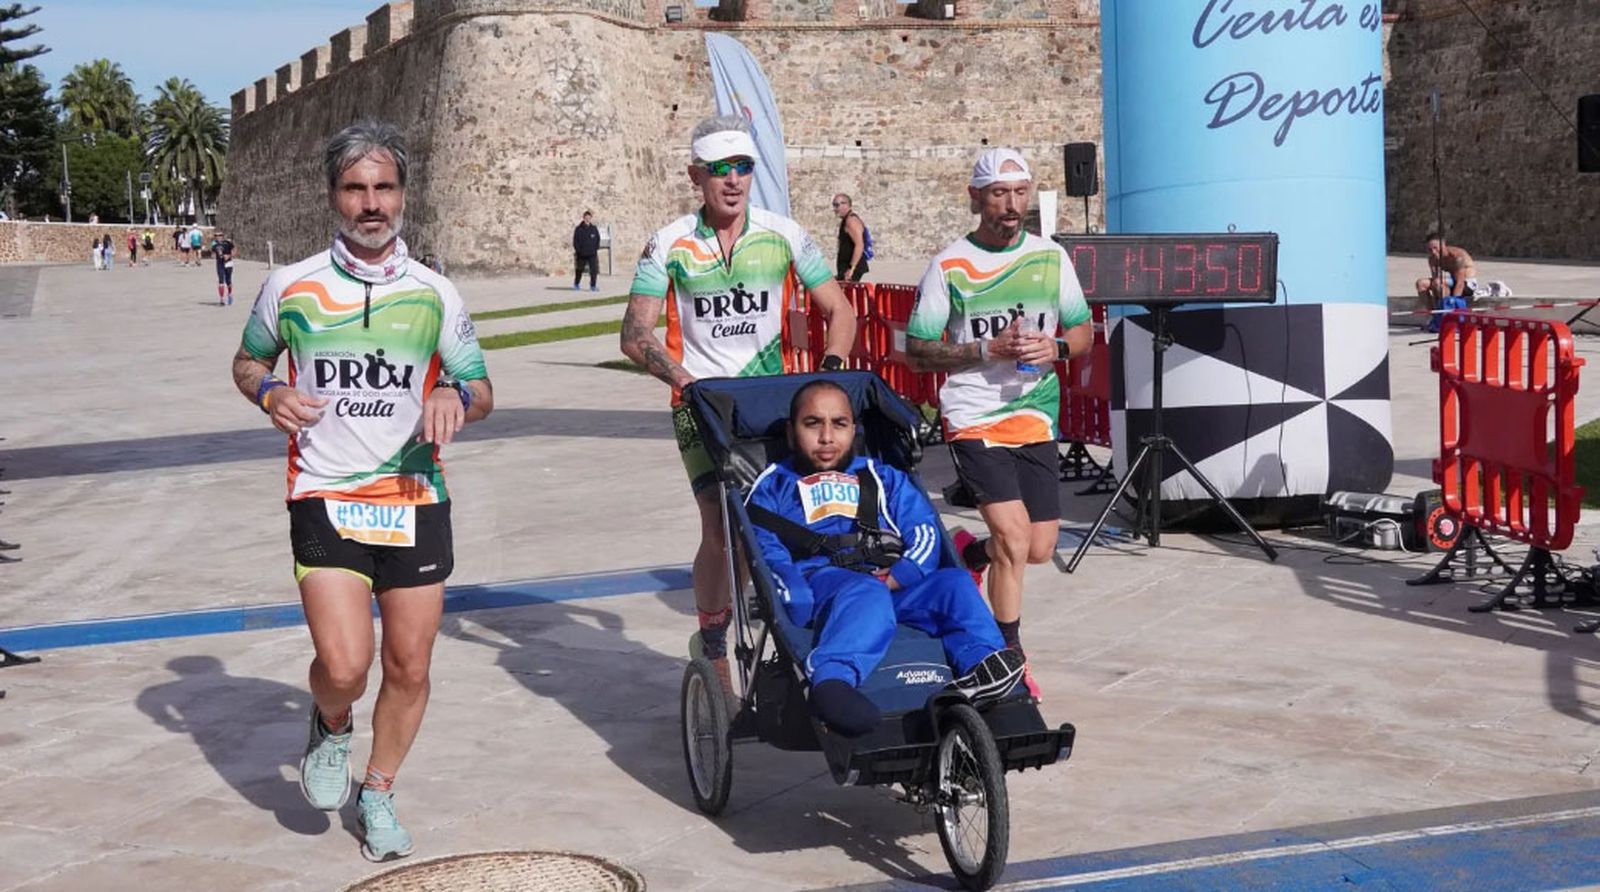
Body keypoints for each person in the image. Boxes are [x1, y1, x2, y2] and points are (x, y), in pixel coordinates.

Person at [230, 120, 493, 863]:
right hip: (324, 491)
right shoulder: (291, 284)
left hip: (414, 495)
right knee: (345, 666)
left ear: (403, 194)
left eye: (384, 187)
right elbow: (247, 363)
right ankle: (333, 721)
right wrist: (270, 391)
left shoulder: (436, 293)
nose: (371, 203)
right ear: (333, 197)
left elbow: (480, 385)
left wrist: (458, 400)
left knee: (410, 666)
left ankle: (377, 791)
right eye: (356, 188)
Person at [620, 114, 857, 698]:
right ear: (696, 176)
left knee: (773, 525)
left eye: (743, 168)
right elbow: (634, 333)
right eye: (720, 170)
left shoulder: (783, 233)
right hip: (698, 403)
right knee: (718, 525)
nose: (733, 180)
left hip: (769, 401)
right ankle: (713, 637)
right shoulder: (670, 242)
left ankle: (796, 627)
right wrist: (685, 380)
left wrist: (831, 371)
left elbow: (840, 310)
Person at [905, 147, 1093, 700]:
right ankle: (1009, 661)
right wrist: (986, 348)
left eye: (1019, 193)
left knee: (1037, 547)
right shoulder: (950, 266)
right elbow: (916, 351)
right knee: (1013, 540)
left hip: (1034, 412)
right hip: (973, 413)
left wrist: (1053, 345)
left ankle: (970, 554)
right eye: (998, 194)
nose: (1011, 206)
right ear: (975, 198)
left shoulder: (1050, 258)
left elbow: (1081, 334)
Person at [747, 380, 1026, 736]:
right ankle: (831, 681)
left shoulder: (883, 477)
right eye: (813, 423)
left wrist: (902, 574)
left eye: (840, 424)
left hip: (892, 582)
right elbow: (765, 547)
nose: (827, 437)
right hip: (826, 584)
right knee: (866, 592)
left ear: (855, 430)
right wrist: (792, 591)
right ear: (791, 432)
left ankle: (982, 667)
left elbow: (923, 529)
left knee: (954, 584)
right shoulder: (774, 484)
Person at [1415, 233, 1480, 313]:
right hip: (1451, 282)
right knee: (1421, 283)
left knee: (1438, 282)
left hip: (1467, 283)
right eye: (1430, 250)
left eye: (1436, 248)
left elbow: (1460, 283)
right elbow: (1435, 281)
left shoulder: (1457, 256)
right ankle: (1434, 314)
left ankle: (1448, 312)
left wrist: (1453, 302)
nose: (1433, 252)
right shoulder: (1432, 259)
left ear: (1443, 244)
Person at [832, 193, 870, 282]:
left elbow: (859, 245)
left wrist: (851, 269)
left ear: (847, 205)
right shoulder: (846, 220)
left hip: (851, 269)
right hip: (845, 268)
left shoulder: (851, 221)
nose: (835, 209)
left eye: (837, 205)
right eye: (834, 205)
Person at [572, 210, 600, 291]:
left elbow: (597, 239)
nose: (587, 219)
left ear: (591, 218)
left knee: (594, 270)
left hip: (592, 254)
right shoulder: (578, 229)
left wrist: (595, 248)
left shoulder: (594, 229)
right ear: (583, 218)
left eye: (589, 218)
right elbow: (575, 241)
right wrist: (579, 251)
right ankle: (576, 283)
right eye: (586, 218)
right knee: (579, 269)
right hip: (582, 254)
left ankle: (593, 285)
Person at [212, 229, 236, 305]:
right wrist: (213, 256)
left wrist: (229, 255)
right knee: (221, 280)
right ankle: (222, 299)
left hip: (228, 263)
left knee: (228, 280)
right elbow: (213, 254)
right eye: (216, 235)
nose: (218, 237)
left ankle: (229, 293)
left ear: (222, 236)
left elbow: (234, 250)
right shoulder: (214, 245)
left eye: (219, 235)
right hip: (220, 264)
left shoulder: (228, 243)